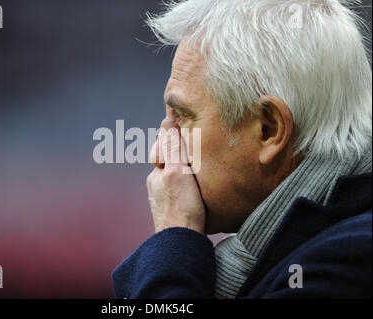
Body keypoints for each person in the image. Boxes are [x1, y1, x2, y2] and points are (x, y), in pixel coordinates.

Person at [112, 0, 372, 298]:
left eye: (182, 117)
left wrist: (175, 238)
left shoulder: (350, 262)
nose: (159, 152)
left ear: (268, 130)